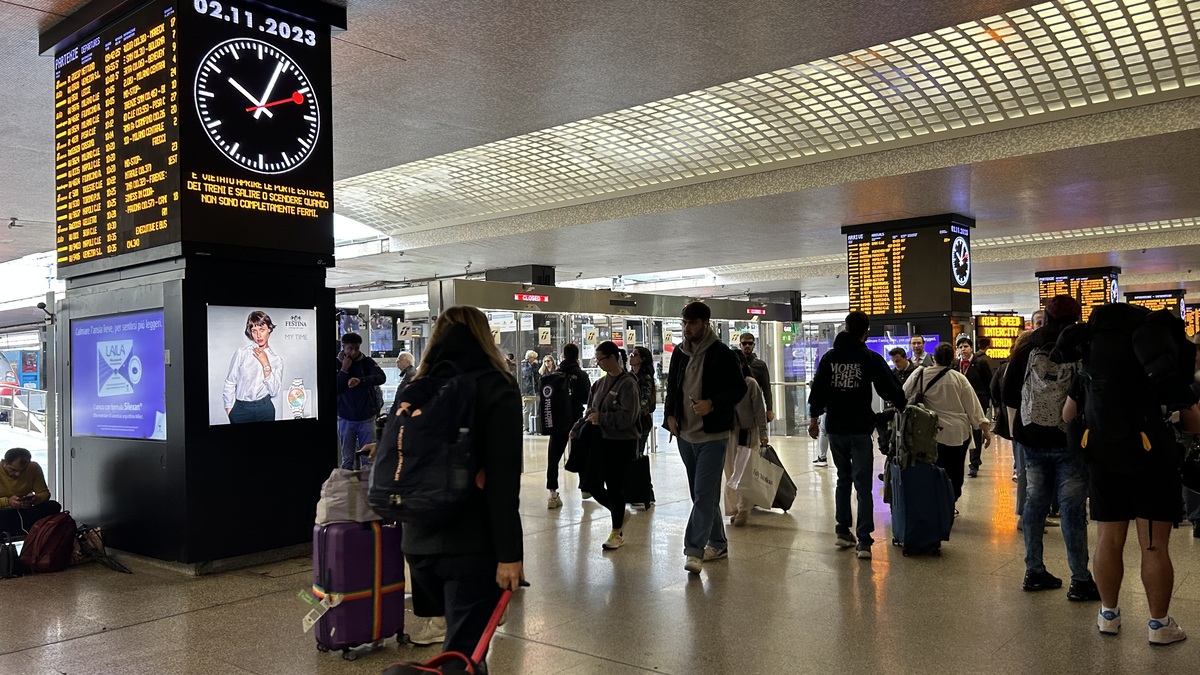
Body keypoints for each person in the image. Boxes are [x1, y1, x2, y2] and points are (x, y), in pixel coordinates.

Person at [1063, 303, 1198, 644]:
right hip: (1153, 463)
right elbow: (1194, 421)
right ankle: (1158, 625)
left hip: (1105, 459)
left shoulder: (1094, 365)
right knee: (1153, 546)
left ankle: (1109, 614)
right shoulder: (1160, 363)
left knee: (1109, 539)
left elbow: (1067, 414)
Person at [401, 306, 524, 668]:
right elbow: (502, 480)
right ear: (485, 337)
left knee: (466, 649)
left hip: (419, 541)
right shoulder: (496, 386)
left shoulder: (415, 387)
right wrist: (510, 553)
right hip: (470, 544)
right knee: (463, 653)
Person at [1001, 295, 1098, 599]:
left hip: (1033, 438)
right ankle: (1080, 580)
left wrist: (1018, 430)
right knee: (1071, 510)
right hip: (1071, 439)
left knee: (1035, 505)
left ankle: (1034, 571)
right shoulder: (1085, 345)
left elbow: (1007, 393)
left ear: (1046, 315)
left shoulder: (1028, 345)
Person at [808, 311, 906, 560]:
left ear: (846, 328)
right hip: (860, 428)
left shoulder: (830, 357)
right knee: (863, 485)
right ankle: (863, 541)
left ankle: (842, 530)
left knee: (843, 478)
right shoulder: (868, 357)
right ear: (866, 332)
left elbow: (818, 390)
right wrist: (901, 403)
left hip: (837, 428)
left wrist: (813, 419)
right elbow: (887, 386)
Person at [663, 301, 747, 574]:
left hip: (714, 434)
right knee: (702, 494)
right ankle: (719, 543)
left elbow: (737, 389)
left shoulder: (722, 353)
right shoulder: (679, 353)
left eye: (693, 323)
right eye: (685, 323)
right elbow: (672, 387)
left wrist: (712, 403)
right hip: (686, 434)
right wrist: (671, 415)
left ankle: (694, 550)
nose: (687, 328)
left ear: (705, 324)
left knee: (703, 493)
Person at [572, 341, 641, 550]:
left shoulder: (628, 384)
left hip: (621, 442)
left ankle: (616, 531)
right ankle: (617, 511)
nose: (598, 363)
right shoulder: (599, 384)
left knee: (614, 484)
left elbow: (628, 417)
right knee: (591, 483)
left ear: (612, 358)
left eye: (600, 359)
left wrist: (602, 418)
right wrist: (578, 426)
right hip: (600, 440)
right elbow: (589, 410)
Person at [903, 343, 991, 505]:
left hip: (928, 432)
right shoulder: (959, 378)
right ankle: (950, 501)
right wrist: (985, 429)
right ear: (952, 359)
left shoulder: (920, 373)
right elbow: (973, 408)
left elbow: (903, 394)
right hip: (956, 433)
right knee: (955, 470)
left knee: (931, 467)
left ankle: (933, 501)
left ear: (934, 357)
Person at [725, 350, 769, 527]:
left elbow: (759, 410)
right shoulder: (725, 383)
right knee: (731, 472)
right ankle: (735, 507)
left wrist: (764, 433)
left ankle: (743, 509)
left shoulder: (751, 384)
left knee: (745, 472)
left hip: (749, 433)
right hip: (729, 433)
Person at [544, 344, 591, 509]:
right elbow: (587, 398)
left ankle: (552, 492)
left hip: (558, 421)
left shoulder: (555, 374)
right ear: (577, 356)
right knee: (581, 452)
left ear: (563, 355)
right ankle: (585, 487)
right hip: (576, 418)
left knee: (553, 456)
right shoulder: (581, 374)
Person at [222, 310, 285, 424]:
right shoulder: (242, 353)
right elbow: (230, 383)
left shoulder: (277, 360)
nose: (258, 335)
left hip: (265, 410)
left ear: (269, 329)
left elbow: (274, 391)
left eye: (262, 329)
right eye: (254, 331)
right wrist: (229, 410)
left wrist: (266, 363)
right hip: (242, 409)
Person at [336, 332, 387, 470]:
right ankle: (348, 489)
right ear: (344, 348)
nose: (353, 352)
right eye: (350, 349)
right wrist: (344, 369)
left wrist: (362, 381)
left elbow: (381, 377)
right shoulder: (337, 363)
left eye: (356, 349)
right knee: (347, 459)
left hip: (366, 417)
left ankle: (367, 488)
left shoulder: (366, 362)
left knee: (368, 459)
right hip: (346, 418)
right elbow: (335, 388)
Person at [0, 448, 62, 537]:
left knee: (53, 506)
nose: (18, 474)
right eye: (13, 470)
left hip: (23, 511)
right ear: (3, 462)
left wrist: (34, 500)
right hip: (4, 511)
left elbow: (44, 493)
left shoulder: (33, 467)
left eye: (23, 471)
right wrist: (8, 502)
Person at [956, 336, 994, 478]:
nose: (963, 349)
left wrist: (993, 402)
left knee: (976, 431)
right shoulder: (955, 364)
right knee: (961, 432)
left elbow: (989, 382)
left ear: (971, 348)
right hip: (960, 403)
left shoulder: (980, 363)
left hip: (979, 400)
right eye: (960, 347)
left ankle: (974, 464)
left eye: (966, 346)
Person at [739, 332, 774, 422]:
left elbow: (766, 388)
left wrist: (769, 409)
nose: (747, 346)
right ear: (740, 345)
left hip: (755, 405)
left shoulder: (760, 365)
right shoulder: (735, 363)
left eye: (750, 343)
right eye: (744, 343)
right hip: (738, 406)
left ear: (754, 345)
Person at [629, 346, 657, 457]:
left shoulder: (645, 378)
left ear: (642, 359)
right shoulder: (629, 376)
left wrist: (635, 413)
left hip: (641, 422)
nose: (631, 357)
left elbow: (646, 399)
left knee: (637, 454)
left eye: (635, 355)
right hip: (630, 421)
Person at [520, 350, 541, 434]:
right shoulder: (525, 365)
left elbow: (537, 375)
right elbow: (528, 374)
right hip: (528, 390)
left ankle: (534, 427)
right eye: (534, 358)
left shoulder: (533, 366)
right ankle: (526, 427)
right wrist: (534, 366)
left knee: (534, 409)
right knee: (527, 409)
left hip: (534, 389)